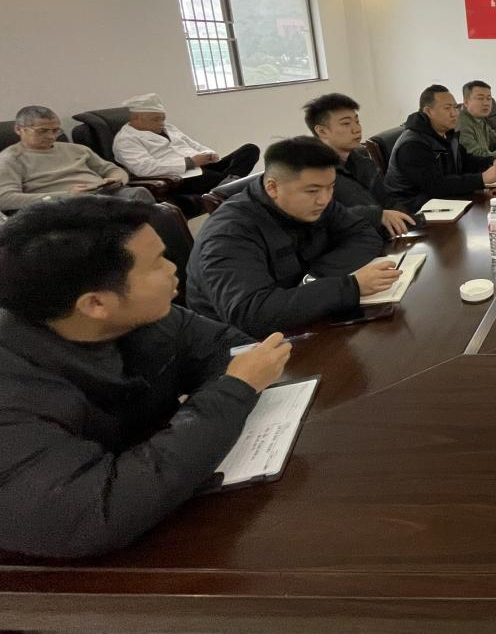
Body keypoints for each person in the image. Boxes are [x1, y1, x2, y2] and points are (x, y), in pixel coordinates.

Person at [0, 197, 292, 557]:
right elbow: (95, 514)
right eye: (157, 263)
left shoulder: (145, 316)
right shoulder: (13, 392)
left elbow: (229, 349)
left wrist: (192, 431)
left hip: (174, 516)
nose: (174, 269)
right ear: (95, 304)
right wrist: (231, 393)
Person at [186, 137, 394, 337]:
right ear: (272, 187)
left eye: (331, 187)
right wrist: (349, 287)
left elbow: (364, 235)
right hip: (245, 345)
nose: (324, 199)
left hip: (307, 319)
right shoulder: (229, 233)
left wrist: (315, 278)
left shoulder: (315, 203)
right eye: (312, 190)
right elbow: (252, 315)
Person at [112, 93, 260, 213]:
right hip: (180, 176)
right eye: (155, 119)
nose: (161, 123)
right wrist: (190, 163)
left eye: (163, 119)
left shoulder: (169, 128)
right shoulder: (126, 140)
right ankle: (228, 187)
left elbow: (193, 144)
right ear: (136, 118)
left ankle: (225, 186)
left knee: (250, 150)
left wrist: (208, 153)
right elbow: (144, 168)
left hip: (200, 165)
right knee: (221, 178)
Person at [303, 93, 415, 238]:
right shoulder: (311, 171)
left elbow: (388, 200)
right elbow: (324, 217)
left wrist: (406, 219)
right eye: (346, 124)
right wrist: (376, 215)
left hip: (384, 237)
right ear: (322, 131)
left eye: (357, 121)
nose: (356, 129)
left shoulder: (363, 160)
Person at [0, 105, 154, 211]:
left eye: (55, 130)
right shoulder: (10, 159)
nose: (51, 136)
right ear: (19, 129)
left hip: (102, 194)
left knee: (138, 195)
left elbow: (112, 169)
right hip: (61, 206)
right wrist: (66, 196)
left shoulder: (77, 150)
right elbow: (6, 199)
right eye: (42, 131)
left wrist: (115, 179)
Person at [390, 85, 496, 210]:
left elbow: (465, 161)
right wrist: (482, 178)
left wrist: (492, 162)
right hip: (414, 209)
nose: (455, 113)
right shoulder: (412, 145)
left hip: (445, 202)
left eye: (455, 107)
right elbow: (436, 186)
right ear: (428, 111)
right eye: (447, 108)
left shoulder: (447, 133)